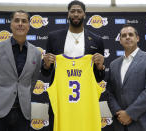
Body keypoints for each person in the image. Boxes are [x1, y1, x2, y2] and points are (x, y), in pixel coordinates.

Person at [41, 0, 105, 130]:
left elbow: (98, 78)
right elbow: (47, 73)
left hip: (85, 104)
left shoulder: (96, 40)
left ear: (84, 15)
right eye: (73, 11)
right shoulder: (54, 37)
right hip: (61, 103)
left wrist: (100, 68)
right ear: (68, 14)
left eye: (79, 11)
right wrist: (46, 65)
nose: (76, 14)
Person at [0, 10, 42, 131]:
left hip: (22, 113)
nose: (20, 24)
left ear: (29, 26)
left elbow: (32, 81)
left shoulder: (36, 53)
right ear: (11, 24)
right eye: (16, 20)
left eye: (24, 21)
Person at [107, 24, 146, 131]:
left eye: (131, 34)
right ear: (120, 40)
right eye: (124, 35)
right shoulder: (114, 64)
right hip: (120, 124)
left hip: (144, 124)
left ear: (137, 38)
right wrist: (119, 114)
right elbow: (110, 92)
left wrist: (129, 114)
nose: (127, 37)